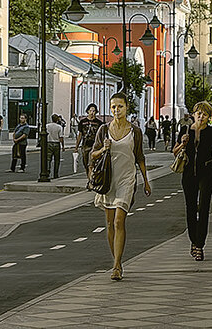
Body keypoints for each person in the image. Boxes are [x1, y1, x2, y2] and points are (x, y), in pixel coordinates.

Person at [90, 93, 151, 281]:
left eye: (120, 106)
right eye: (114, 107)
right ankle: (116, 260)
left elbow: (140, 157)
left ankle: (117, 266)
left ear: (127, 108)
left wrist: (146, 181)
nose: (117, 110)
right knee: (109, 224)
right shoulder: (103, 130)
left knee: (118, 221)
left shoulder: (135, 131)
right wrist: (103, 149)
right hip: (108, 180)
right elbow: (93, 155)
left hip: (127, 179)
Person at [174, 101, 212, 261]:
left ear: (209, 117)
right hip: (189, 172)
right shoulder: (185, 131)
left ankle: (200, 245)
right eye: (198, 113)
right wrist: (182, 143)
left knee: (204, 208)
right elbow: (174, 152)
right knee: (190, 207)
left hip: (207, 171)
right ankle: (193, 240)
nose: (201, 117)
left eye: (204, 114)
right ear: (193, 114)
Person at [76, 103, 104, 182]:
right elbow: (80, 134)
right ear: (88, 111)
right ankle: (89, 177)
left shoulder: (99, 123)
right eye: (91, 111)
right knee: (86, 163)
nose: (92, 113)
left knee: (92, 164)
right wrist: (76, 147)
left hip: (95, 146)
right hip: (85, 145)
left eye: (94, 111)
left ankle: (91, 181)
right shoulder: (82, 122)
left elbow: (101, 135)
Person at [44, 114, 64, 179]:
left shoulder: (47, 126)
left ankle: (47, 172)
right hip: (56, 143)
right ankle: (56, 174)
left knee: (48, 159)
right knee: (57, 160)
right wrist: (63, 146)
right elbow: (61, 137)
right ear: (57, 120)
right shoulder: (59, 127)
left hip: (49, 142)